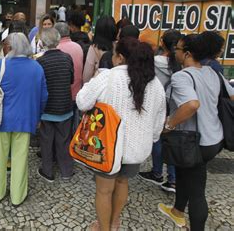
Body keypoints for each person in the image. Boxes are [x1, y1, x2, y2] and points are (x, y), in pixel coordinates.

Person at [76, 38, 166, 231]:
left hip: (107, 147)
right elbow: (159, 119)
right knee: (123, 182)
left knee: (104, 190)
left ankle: (104, 228)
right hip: (137, 149)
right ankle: (115, 221)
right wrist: (152, 138)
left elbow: (82, 102)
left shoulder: (107, 77)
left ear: (120, 58)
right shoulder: (155, 83)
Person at [158, 34, 234, 230]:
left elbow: (191, 105)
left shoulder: (182, 76)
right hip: (214, 137)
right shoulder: (212, 72)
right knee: (185, 173)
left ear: (188, 54)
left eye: (178, 49)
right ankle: (177, 211)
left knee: (197, 191)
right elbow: (231, 96)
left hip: (196, 142)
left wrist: (169, 125)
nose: (175, 52)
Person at [0, 33, 48, 206]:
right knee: (20, 158)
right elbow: (43, 97)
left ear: (10, 47)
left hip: (1, 120)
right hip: (26, 120)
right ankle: (17, 196)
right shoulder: (36, 67)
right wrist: (38, 116)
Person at [139, 29, 182, 193]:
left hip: (156, 104)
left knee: (157, 138)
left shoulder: (154, 61)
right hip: (174, 107)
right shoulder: (179, 63)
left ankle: (157, 172)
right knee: (171, 141)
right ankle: (173, 179)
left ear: (162, 43)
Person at [36, 28, 74, 182]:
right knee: (64, 140)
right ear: (58, 41)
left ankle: (48, 171)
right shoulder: (67, 58)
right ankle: (66, 171)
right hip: (65, 106)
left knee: (46, 141)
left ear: (43, 43)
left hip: (47, 109)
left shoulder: (40, 61)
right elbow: (71, 80)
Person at [55, 22, 84, 130]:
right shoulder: (78, 47)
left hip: (60, 96)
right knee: (74, 126)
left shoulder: (56, 48)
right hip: (76, 93)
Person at [82, 16, 117, 83]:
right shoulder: (117, 47)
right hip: (114, 86)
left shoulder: (94, 48)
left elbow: (86, 77)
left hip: (98, 88)